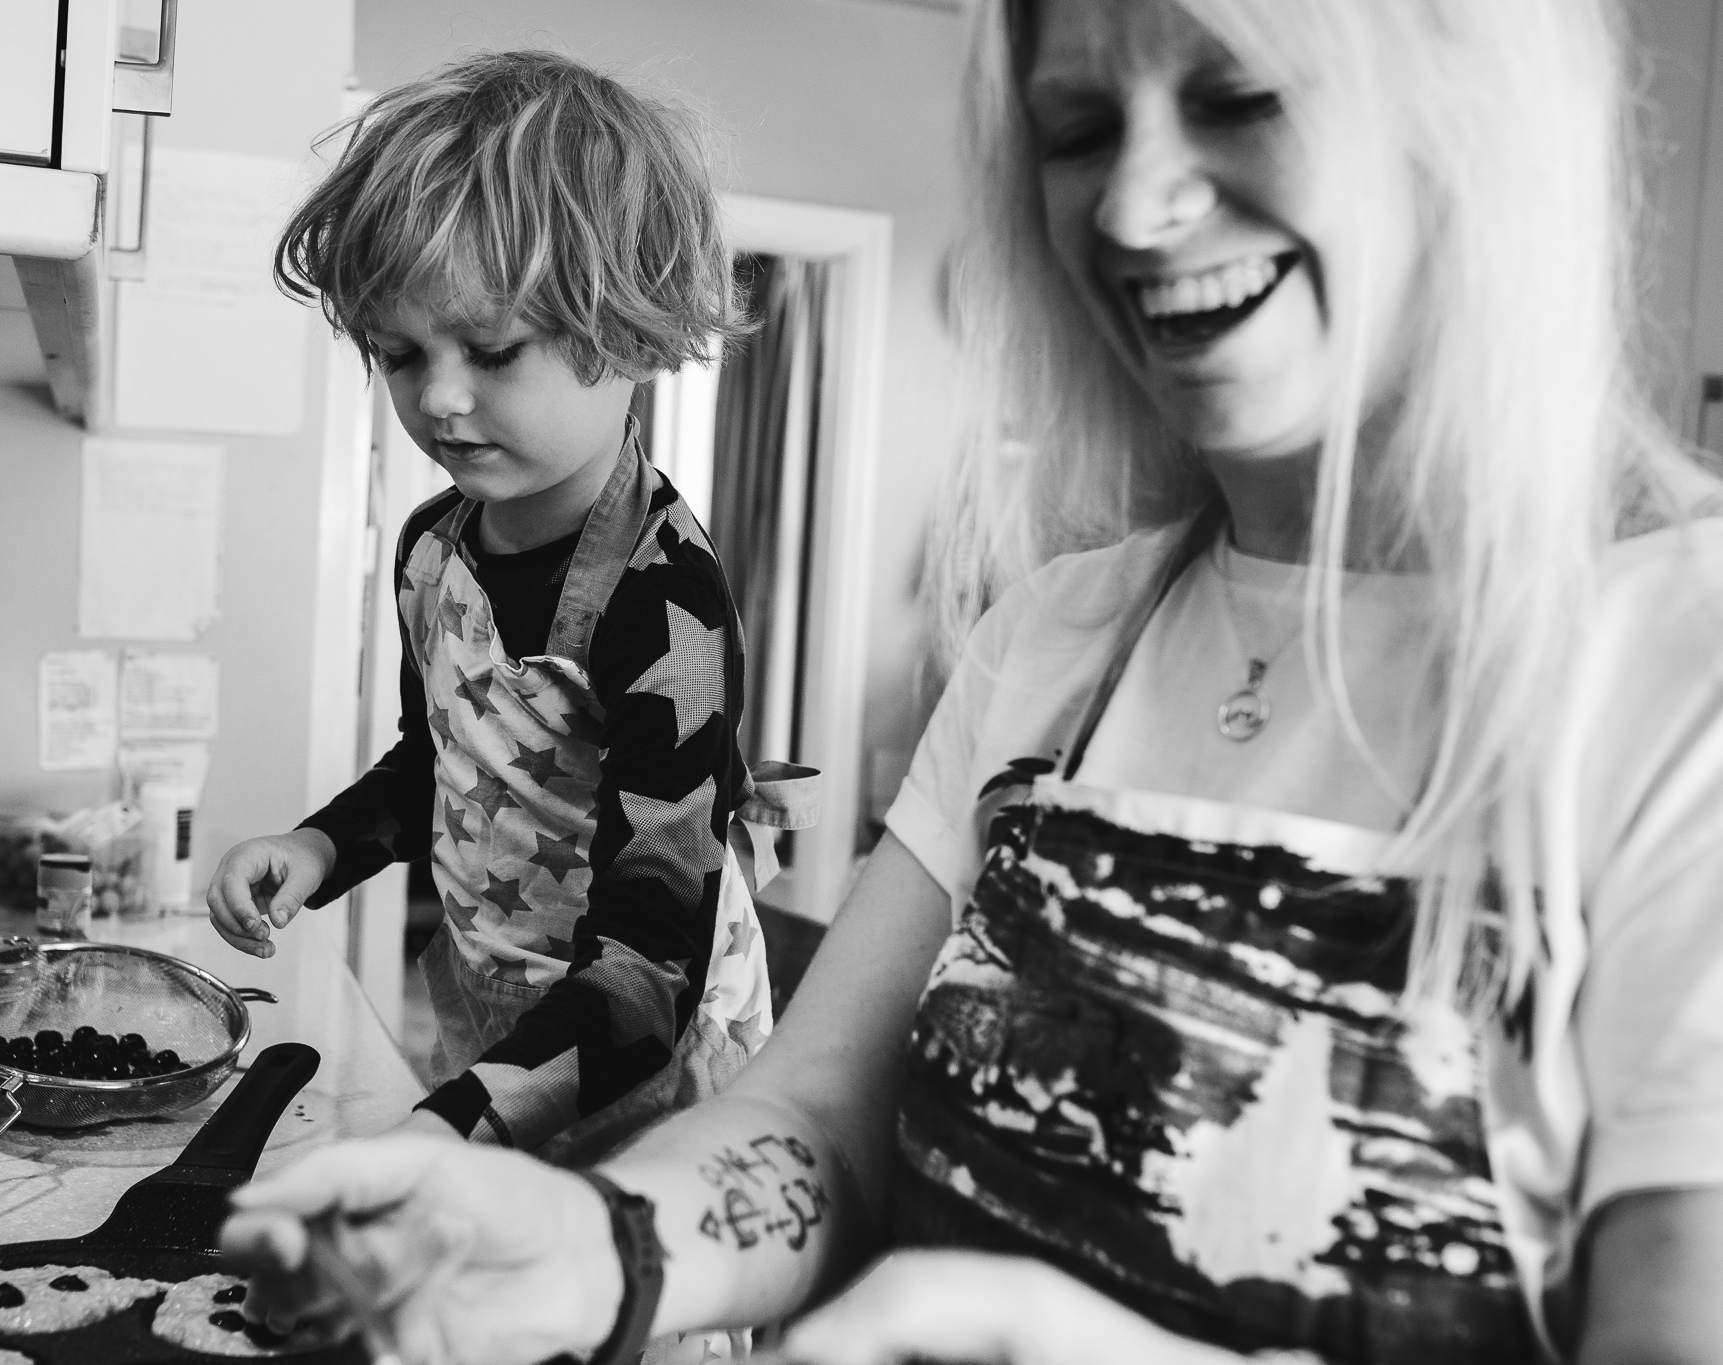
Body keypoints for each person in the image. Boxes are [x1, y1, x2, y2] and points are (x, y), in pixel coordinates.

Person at [216, 1, 1723, 1362]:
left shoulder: (1675, 668)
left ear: (1473, 119)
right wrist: (601, 1250)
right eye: (1075, 130)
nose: (1131, 205)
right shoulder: (1052, 639)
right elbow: (822, 1126)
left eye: (1246, 93)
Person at [206, 50, 812, 1163]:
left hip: (649, 1074)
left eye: (490, 350)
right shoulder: (431, 552)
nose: (438, 398)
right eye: (398, 353)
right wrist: (316, 847)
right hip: (494, 1030)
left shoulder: (664, 602)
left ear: (628, 328)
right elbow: (435, 767)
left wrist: (447, 1129)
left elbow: (647, 973)